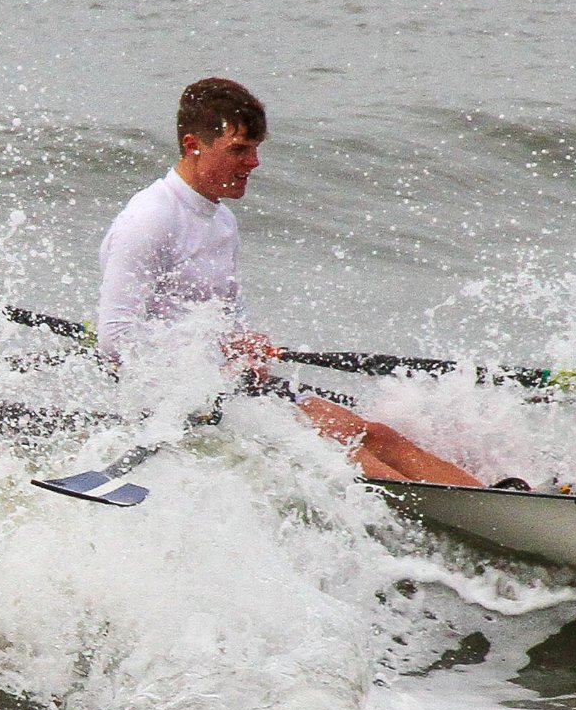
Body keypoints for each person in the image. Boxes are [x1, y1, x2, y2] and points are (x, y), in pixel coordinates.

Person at [97, 77, 482, 486]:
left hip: (230, 389)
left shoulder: (221, 221)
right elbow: (115, 339)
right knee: (348, 449)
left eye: (255, 149)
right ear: (194, 145)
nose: (254, 163)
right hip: (176, 402)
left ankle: (498, 499)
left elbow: (230, 314)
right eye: (239, 150)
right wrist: (217, 349)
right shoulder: (150, 218)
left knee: (374, 434)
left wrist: (247, 345)